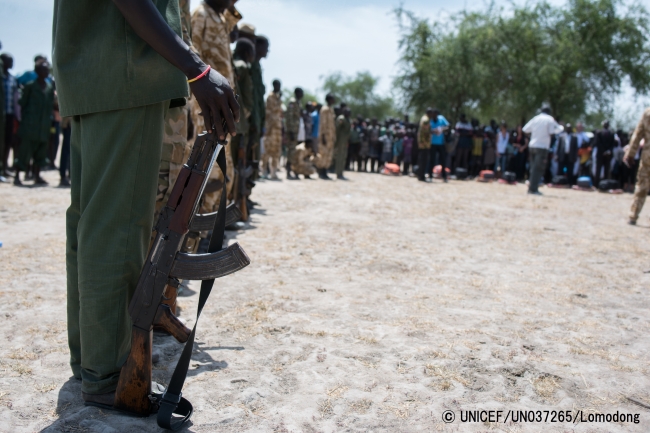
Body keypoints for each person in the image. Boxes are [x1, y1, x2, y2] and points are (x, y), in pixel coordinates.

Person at [53, 0, 239, 407]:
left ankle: (92, 360)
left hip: (97, 70)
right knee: (118, 225)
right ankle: (108, 373)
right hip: (128, 72)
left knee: (91, 222)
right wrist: (198, 69)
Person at [191, 0, 241, 205]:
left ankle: (209, 223)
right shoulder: (201, 14)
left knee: (219, 165)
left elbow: (233, 27)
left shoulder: (220, 18)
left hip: (220, 107)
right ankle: (197, 226)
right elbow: (191, 58)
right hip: (203, 106)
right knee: (204, 167)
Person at [14, 62, 55, 186]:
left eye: (47, 70)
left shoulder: (49, 87)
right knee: (24, 152)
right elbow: (22, 104)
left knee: (41, 152)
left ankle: (37, 176)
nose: (47, 72)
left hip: (43, 126)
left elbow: (50, 107)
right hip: (30, 126)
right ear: (37, 71)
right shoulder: (30, 86)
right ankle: (17, 176)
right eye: (44, 70)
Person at [522, 107, 563, 195]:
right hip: (542, 147)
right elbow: (552, 132)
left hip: (532, 146)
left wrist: (535, 134)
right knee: (539, 168)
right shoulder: (549, 119)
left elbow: (525, 129)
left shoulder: (535, 118)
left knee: (533, 168)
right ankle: (533, 189)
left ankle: (531, 187)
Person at [625, 108, 650, 225]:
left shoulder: (647, 113)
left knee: (641, 187)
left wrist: (630, 154)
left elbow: (637, 134)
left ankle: (633, 216)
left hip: (647, 158)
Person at [2, 53, 19, 179]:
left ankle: (4, 168)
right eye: (10, 61)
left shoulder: (12, 79)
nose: (12, 63)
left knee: (8, 142)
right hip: (1, 116)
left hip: (10, 116)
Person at [262, 79, 283, 180]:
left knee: (276, 151)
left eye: (280, 85)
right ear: (274, 85)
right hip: (270, 128)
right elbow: (270, 112)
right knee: (267, 150)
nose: (279, 87)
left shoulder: (278, 97)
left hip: (277, 129)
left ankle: (273, 172)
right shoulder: (271, 97)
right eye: (277, 85)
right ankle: (264, 170)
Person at [315, 93, 336, 179]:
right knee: (323, 154)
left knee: (328, 155)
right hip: (325, 136)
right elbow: (322, 124)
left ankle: (325, 171)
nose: (334, 100)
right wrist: (323, 136)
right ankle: (321, 172)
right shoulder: (324, 110)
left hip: (330, 137)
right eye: (332, 98)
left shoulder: (331, 110)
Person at [285, 87, 303, 179]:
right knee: (291, 151)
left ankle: (292, 170)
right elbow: (289, 117)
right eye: (301, 93)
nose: (302, 94)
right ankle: (288, 171)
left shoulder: (298, 103)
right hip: (292, 131)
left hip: (296, 131)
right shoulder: (292, 102)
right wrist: (291, 131)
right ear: (297, 93)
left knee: (294, 151)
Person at [428, 109, 449, 182]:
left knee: (443, 160)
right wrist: (434, 131)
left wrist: (441, 129)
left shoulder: (441, 118)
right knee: (432, 160)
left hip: (441, 143)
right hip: (433, 143)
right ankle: (430, 176)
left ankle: (444, 177)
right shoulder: (430, 121)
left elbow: (447, 127)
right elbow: (428, 131)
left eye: (435, 114)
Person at [594, 120, 616, 186]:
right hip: (600, 154)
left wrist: (608, 151)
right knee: (598, 170)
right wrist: (604, 151)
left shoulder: (612, 133)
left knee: (607, 171)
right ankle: (596, 185)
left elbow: (612, 144)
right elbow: (598, 143)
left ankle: (605, 185)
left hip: (608, 155)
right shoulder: (599, 133)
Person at [335, 107, 351, 180]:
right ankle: (338, 173)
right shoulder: (341, 118)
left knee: (343, 157)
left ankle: (341, 172)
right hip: (340, 140)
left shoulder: (348, 119)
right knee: (339, 157)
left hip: (345, 141)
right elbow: (337, 129)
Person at [417, 109, 432, 181]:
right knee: (423, 160)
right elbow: (426, 131)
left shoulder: (423, 118)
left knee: (421, 160)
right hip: (424, 143)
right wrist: (433, 132)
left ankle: (420, 175)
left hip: (422, 143)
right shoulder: (426, 120)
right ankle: (421, 176)